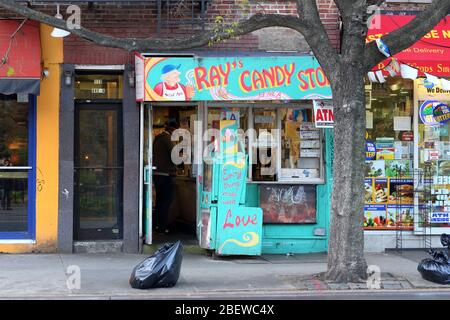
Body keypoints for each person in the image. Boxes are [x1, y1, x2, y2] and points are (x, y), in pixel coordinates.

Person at [153, 121, 179, 234]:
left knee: (159, 201)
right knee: (166, 202)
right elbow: (174, 157)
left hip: (157, 174)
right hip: (166, 175)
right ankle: (162, 228)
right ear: (174, 130)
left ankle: (156, 226)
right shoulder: (167, 139)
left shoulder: (157, 138)